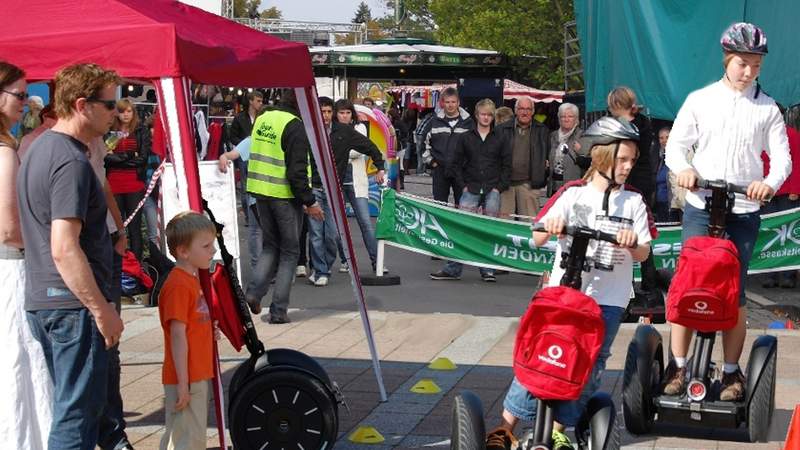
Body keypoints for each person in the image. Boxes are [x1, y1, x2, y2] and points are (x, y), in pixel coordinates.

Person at [486, 117, 653, 450]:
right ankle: (507, 427)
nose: (628, 166)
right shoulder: (571, 193)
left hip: (609, 299)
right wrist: (553, 225)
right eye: (622, 159)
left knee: (590, 361)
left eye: (632, 160)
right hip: (563, 293)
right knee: (541, 354)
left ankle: (560, 429)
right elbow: (535, 237)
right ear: (602, 156)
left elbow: (644, 253)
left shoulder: (633, 202)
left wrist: (632, 241)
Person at [663, 22, 791, 401]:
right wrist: (683, 169)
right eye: (742, 63)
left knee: (734, 293)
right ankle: (678, 365)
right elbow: (676, 146)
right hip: (702, 205)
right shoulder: (700, 99)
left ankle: (732, 373)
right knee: (688, 284)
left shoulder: (767, 108)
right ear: (726, 60)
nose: (748, 71)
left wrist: (768, 183)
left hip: (743, 208)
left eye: (756, 65)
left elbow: (782, 158)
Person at [17, 63, 125, 449]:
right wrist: (100, 309)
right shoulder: (69, 161)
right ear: (83, 105)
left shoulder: (40, 148)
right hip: (70, 307)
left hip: (50, 303)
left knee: (77, 412)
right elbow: (64, 247)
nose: (118, 113)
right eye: (110, 105)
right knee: (75, 419)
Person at [0, 60, 52, 450]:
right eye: (19, 94)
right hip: (11, 270)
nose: (26, 101)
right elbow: (9, 228)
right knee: (19, 362)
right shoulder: (4, 153)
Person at [244, 89, 323, 324]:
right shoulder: (294, 125)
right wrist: (310, 201)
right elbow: (297, 171)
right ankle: (278, 311)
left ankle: (254, 292)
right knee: (290, 252)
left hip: (260, 192)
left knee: (270, 246)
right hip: (284, 195)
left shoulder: (264, 118)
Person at [430, 99, 509, 282]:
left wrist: (499, 188)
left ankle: (488, 270)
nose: (486, 118)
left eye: (489, 114)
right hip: (471, 187)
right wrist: (462, 184)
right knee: (461, 229)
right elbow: (456, 164)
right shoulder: (466, 137)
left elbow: (506, 165)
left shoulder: (501, 138)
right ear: (477, 115)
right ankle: (452, 269)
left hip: (492, 188)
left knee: (488, 231)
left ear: (493, 116)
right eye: (483, 114)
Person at [158, 211, 218, 450]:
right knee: (187, 440)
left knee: (189, 437)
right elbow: (177, 336)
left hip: (194, 374)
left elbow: (188, 329)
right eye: (206, 246)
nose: (212, 250)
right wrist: (183, 383)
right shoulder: (179, 285)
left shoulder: (189, 280)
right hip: (187, 376)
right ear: (183, 251)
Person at [332, 98, 386, 274]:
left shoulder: (360, 127)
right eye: (341, 113)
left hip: (357, 182)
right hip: (338, 180)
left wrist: (342, 150)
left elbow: (360, 150)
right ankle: (345, 260)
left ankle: (376, 261)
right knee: (338, 225)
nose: (345, 116)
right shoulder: (331, 129)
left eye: (348, 113)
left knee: (365, 222)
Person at [105, 98, 151, 261]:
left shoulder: (141, 130)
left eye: (129, 111)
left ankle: (136, 265)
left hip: (134, 183)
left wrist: (118, 158)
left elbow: (143, 158)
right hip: (113, 183)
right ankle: (117, 263)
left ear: (133, 113)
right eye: (122, 111)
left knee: (135, 227)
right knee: (116, 227)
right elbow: (105, 158)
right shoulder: (109, 130)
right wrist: (131, 156)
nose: (125, 114)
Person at [759, 116, 800, 288]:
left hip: (786, 191)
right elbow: (757, 164)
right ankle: (770, 274)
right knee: (769, 232)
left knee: (788, 233)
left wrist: (796, 189)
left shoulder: (791, 133)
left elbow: (797, 162)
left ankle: (788, 275)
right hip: (768, 191)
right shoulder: (761, 136)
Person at [496, 96, 550, 218]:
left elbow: (548, 153)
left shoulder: (542, 130)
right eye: (521, 109)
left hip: (529, 184)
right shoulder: (501, 129)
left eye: (528, 109)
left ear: (533, 111)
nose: (524, 112)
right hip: (505, 184)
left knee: (528, 224)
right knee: (504, 223)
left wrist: (543, 171)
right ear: (515, 111)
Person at [423, 87, 474, 205]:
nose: (450, 105)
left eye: (453, 102)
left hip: (462, 171)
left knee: (463, 205)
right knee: (440, 206)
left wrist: (469, 165)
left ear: (458, 103)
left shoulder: (468, 122)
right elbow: (422, 144)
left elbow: (474, 147)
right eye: (447, 102)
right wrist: (431, 162)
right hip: (440, 170)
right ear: (442, 103)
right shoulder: (434, 122)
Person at [547, 102, 584, 196]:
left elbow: (588, 162)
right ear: (559, 119)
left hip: (574, 188)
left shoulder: (582, 136)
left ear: (576, 119)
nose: (566, 119)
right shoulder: (553, 136)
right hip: (555, 186)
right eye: (563, 116)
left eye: (570, 116)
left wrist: (580, 151)